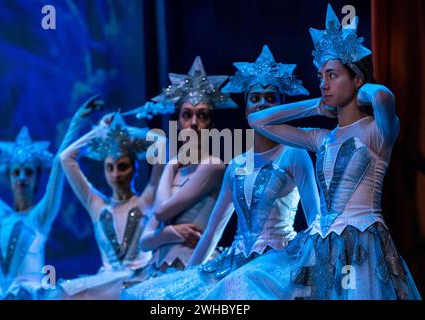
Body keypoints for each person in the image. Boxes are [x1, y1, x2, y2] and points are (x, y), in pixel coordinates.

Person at [203, 4, 422, 300]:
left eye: (332, 75)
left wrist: (362, 90)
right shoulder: (322, 139)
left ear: (356, 78)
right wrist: (315, 106)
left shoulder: (376, 132)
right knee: (242, 282)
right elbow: (258, 120)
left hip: (362, 241)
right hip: (320, 243)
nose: (324, 83)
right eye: (320, 76)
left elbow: (383, 96)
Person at [120, 46, 320, 300]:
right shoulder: (236, 165)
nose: (262, 104)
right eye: (255, 98)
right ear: (246, 107)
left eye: (271, 98)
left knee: (238, 289)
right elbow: (214, 229)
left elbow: (316, 220)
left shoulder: (293, 154)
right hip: (234, 262)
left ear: (282, 105)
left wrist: (306, 268)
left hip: (276, 265)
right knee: (145, 296)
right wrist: (186, 282)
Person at [120, 56, 237, 290]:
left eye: (202, 115)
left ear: (210, 125)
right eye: (187, 114)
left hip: (193, 268)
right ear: (179, 122)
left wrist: (171, 165)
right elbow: (144, 241)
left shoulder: (214, 166)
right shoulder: (173, 166)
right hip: (158, 270)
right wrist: (173, 232)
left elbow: (162, 211)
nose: (194, 122)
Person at [0, 96, 99, 299]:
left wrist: (77, 120)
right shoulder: (1, 215)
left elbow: (59, 164)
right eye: (17, 172)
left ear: (37, 178)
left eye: (29, 172)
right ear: (9, 177)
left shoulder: (40, 216)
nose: (22, 178)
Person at [45, 111, 164, 300]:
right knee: (61, 294)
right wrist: (100, 131)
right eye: (110, 167)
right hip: (107, 284)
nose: (116, 175)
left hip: (141, 283)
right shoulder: (97, 205)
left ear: (135, 169)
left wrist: (122, 130)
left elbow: (161, 142)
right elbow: (66, 158)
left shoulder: (146, 201)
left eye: (123, 167)